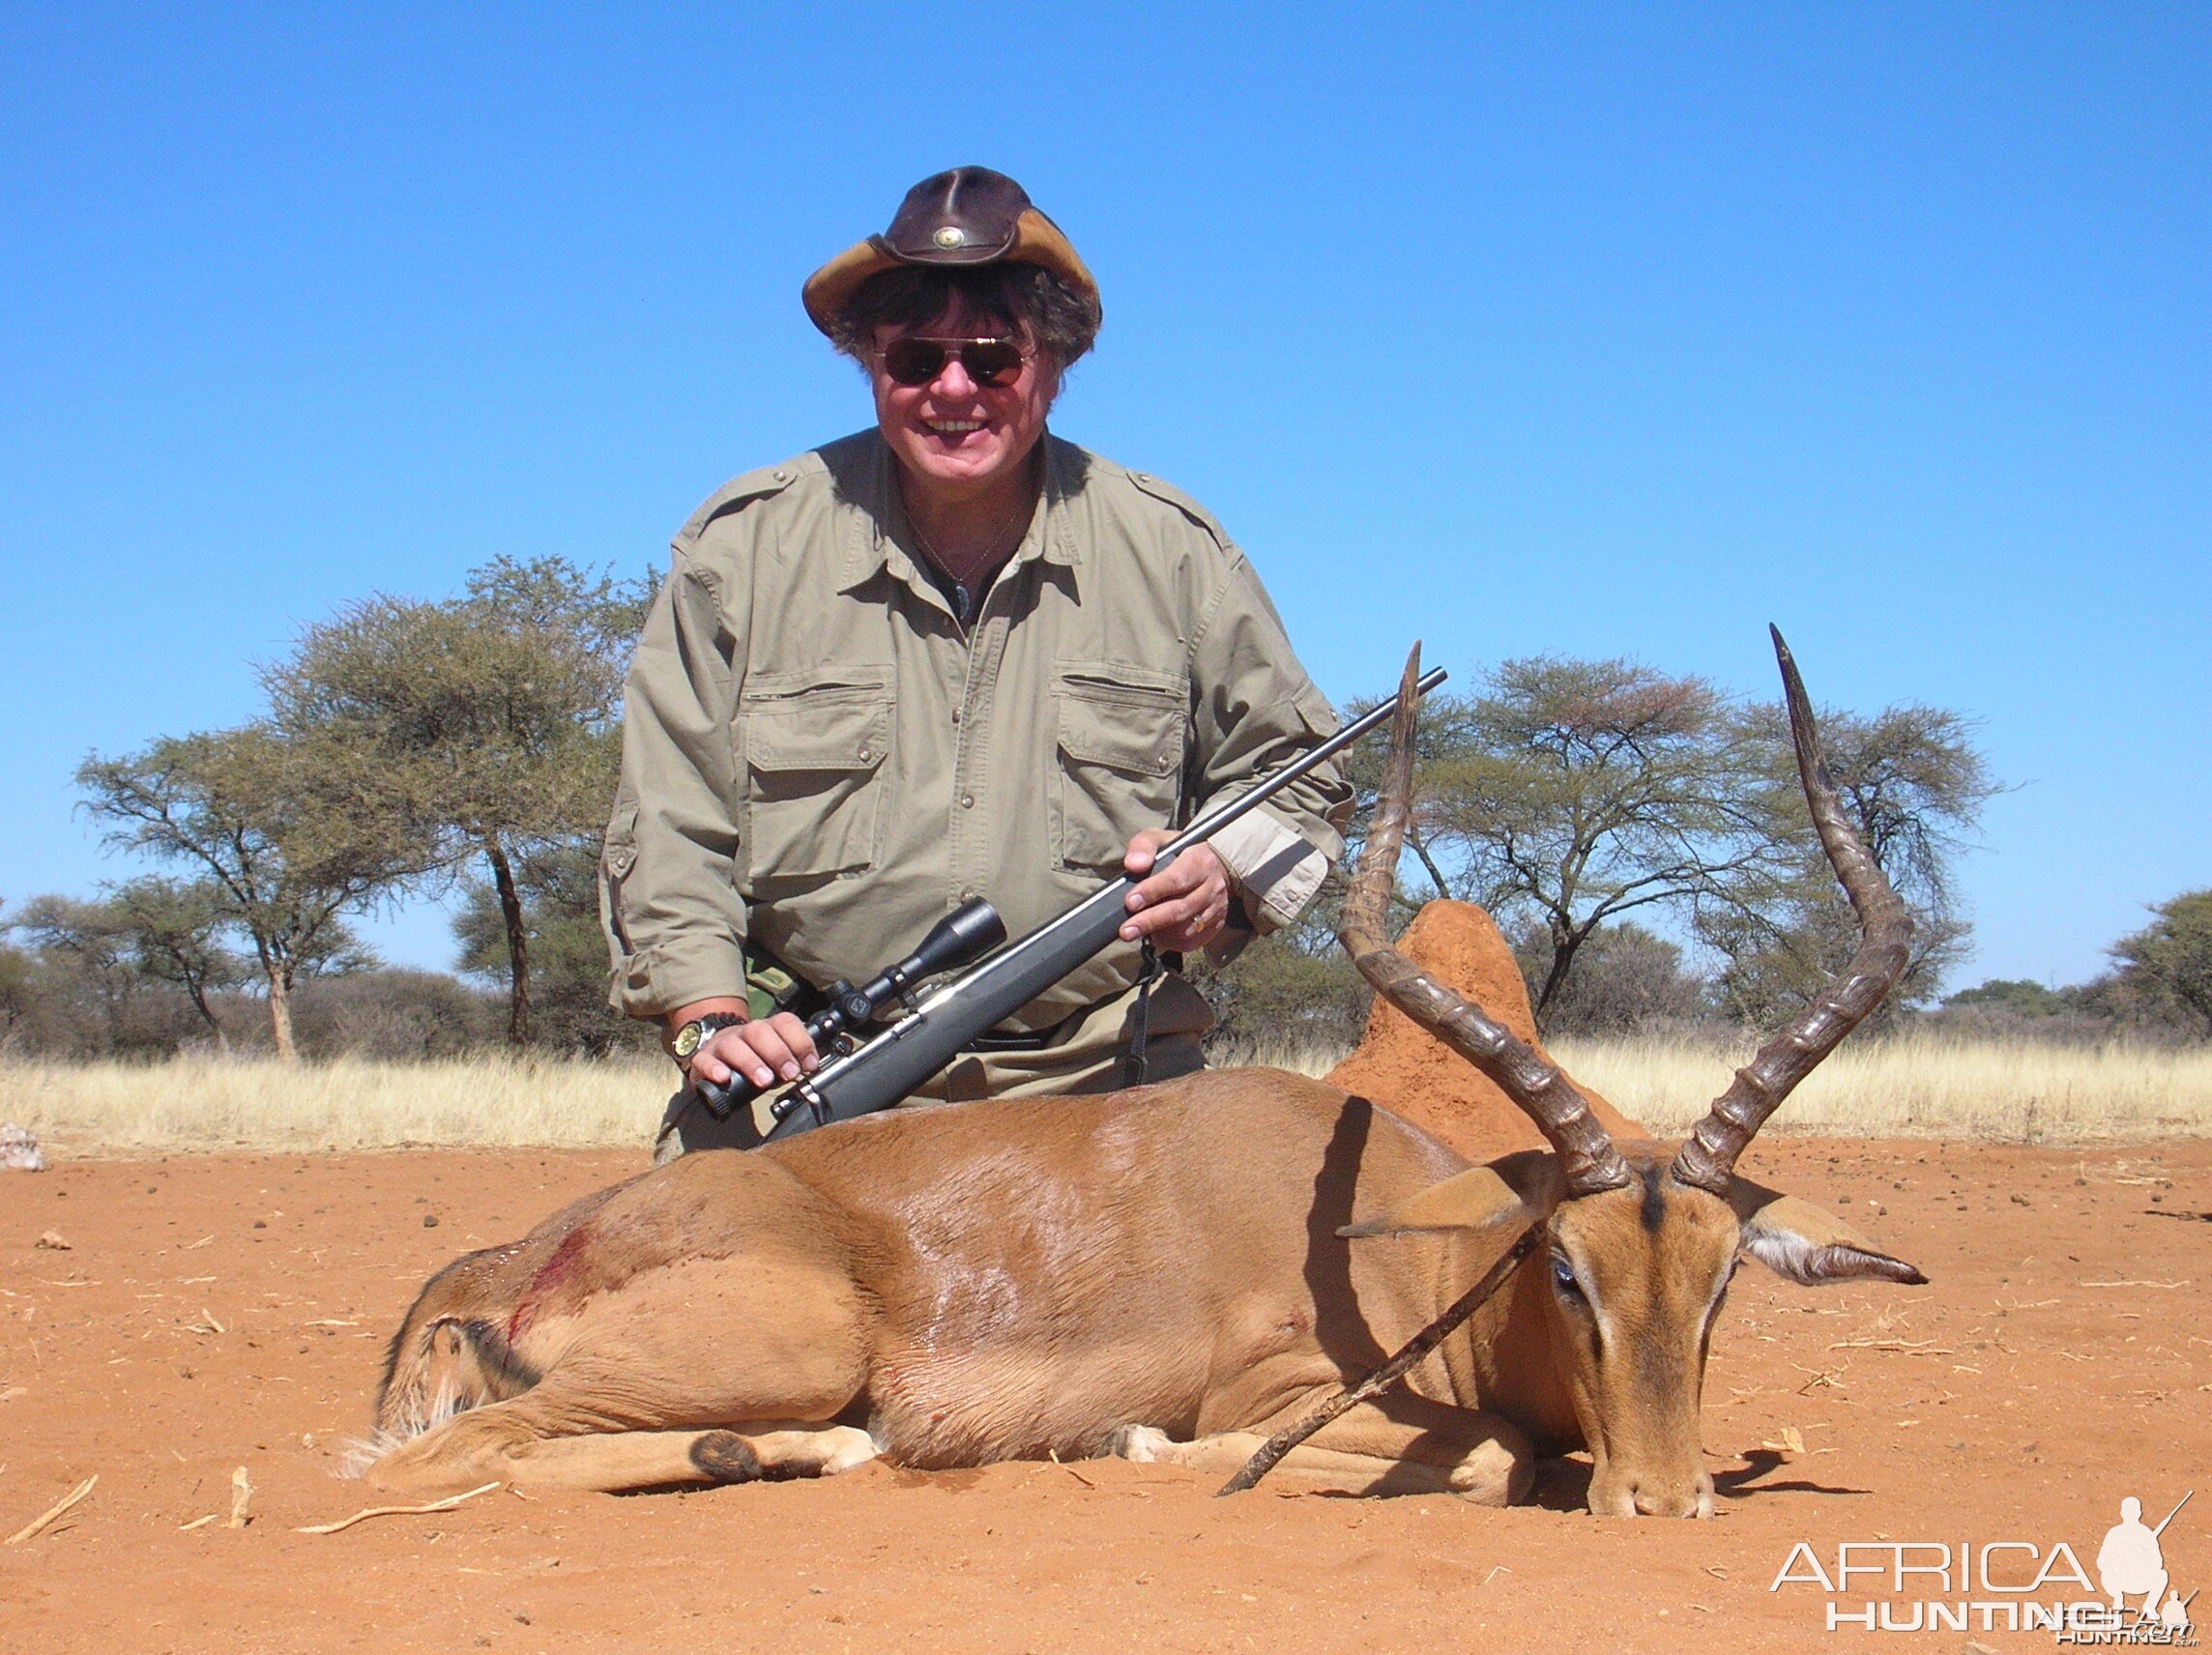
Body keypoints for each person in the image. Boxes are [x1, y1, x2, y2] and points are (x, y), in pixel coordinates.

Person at [599, 166, 1351, 1155]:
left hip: (1107, 1084)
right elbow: (668, 819)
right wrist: (711, 1017)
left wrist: (1224, 878)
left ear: (1054, 364)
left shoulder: (1173, 550)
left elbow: (1301, 781)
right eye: (915, 357)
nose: (952, 390)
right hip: (816, 1080)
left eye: (992, 360)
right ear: (869, 360)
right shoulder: (740, 549)